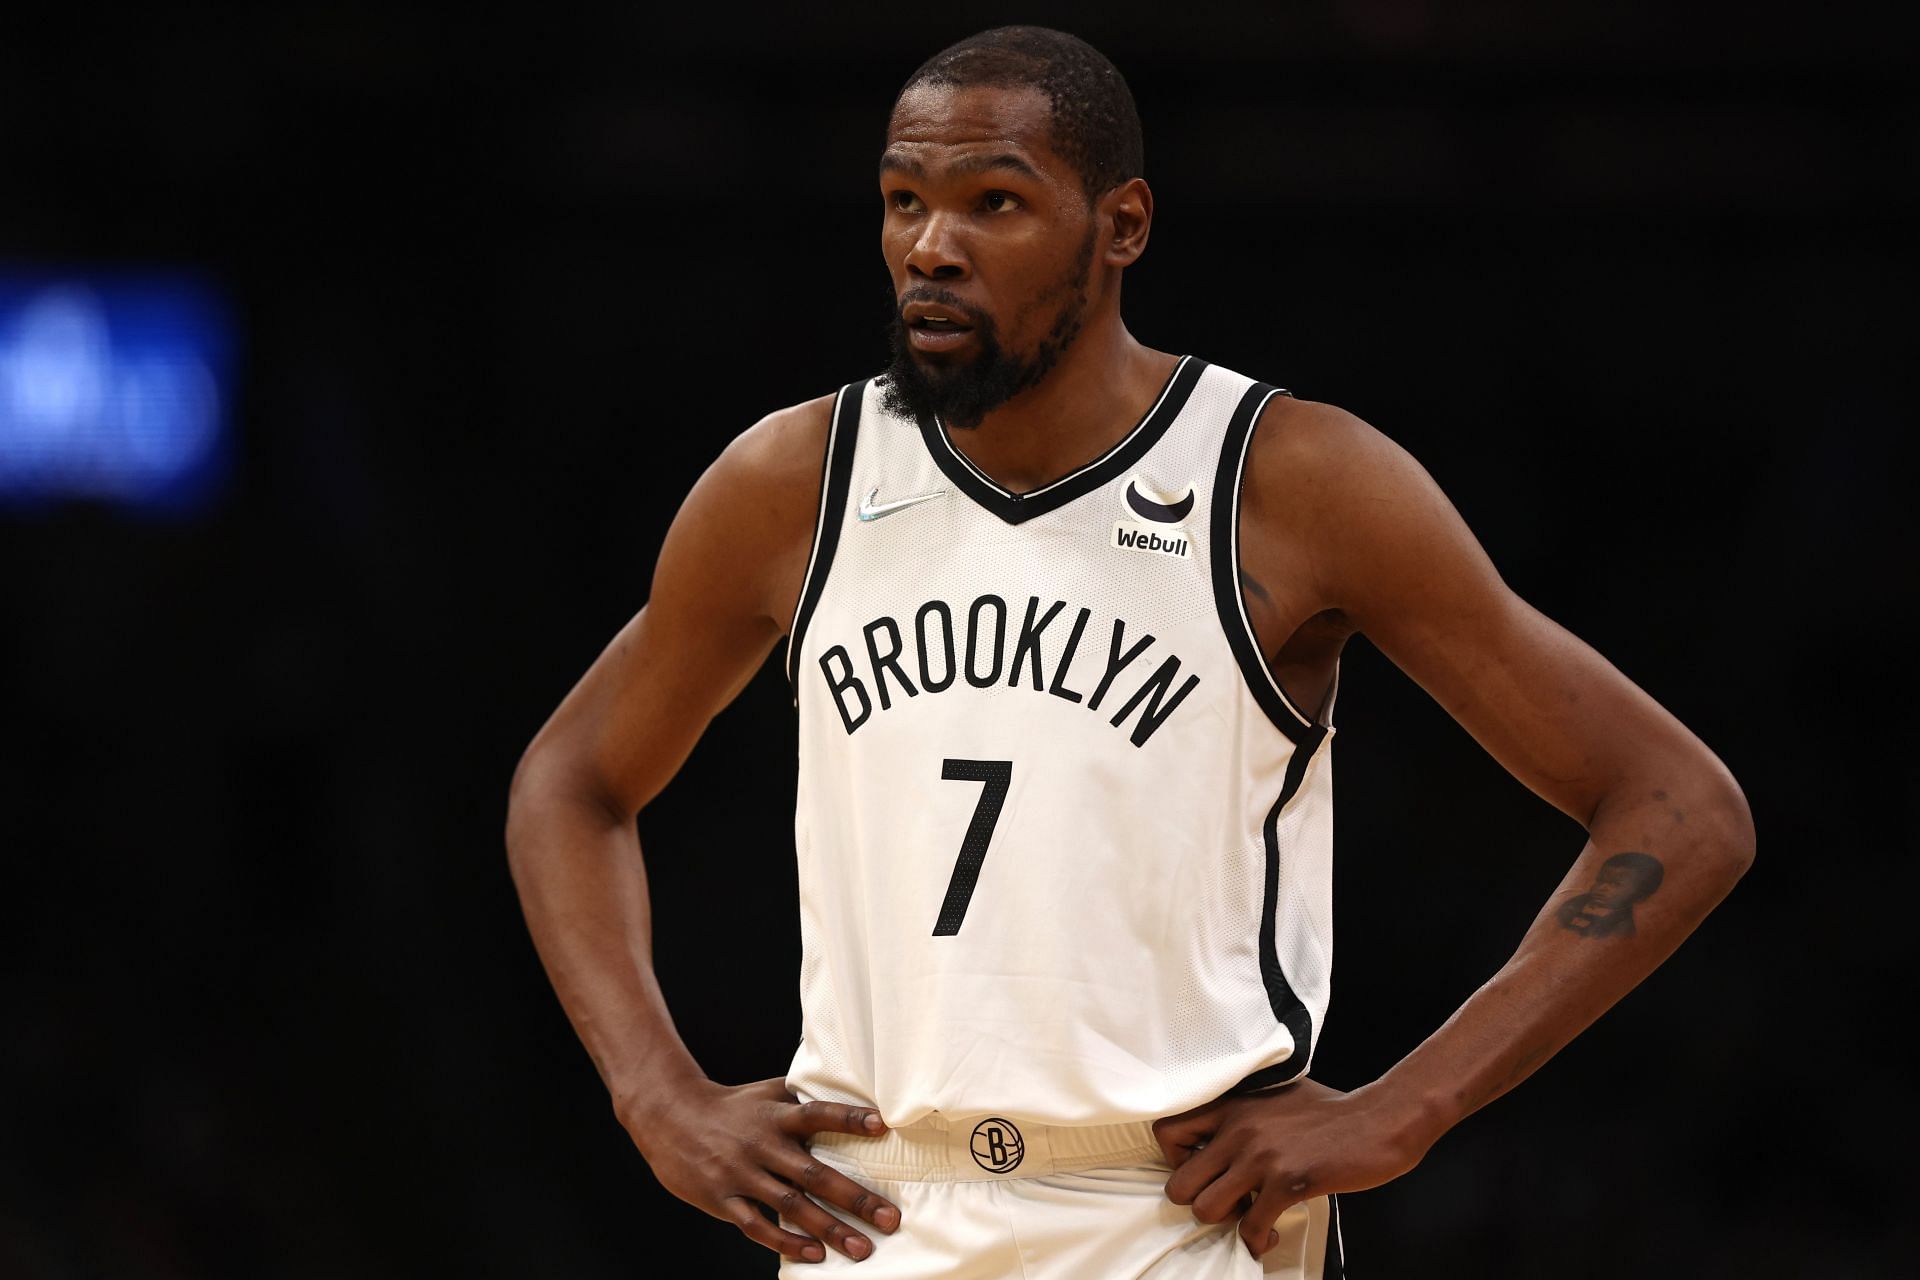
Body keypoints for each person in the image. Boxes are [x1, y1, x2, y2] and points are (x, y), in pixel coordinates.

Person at [503, 25, 1754, 1279]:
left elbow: (1679, 806)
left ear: (1123, 225)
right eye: (903, 201)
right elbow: (572, 780)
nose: (931, 245)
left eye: (993, 201)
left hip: (1175, 1217)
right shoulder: (794, 482)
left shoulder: (1290, 480)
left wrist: (1407, 1104)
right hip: (873, 1214)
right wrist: (653, 1092)